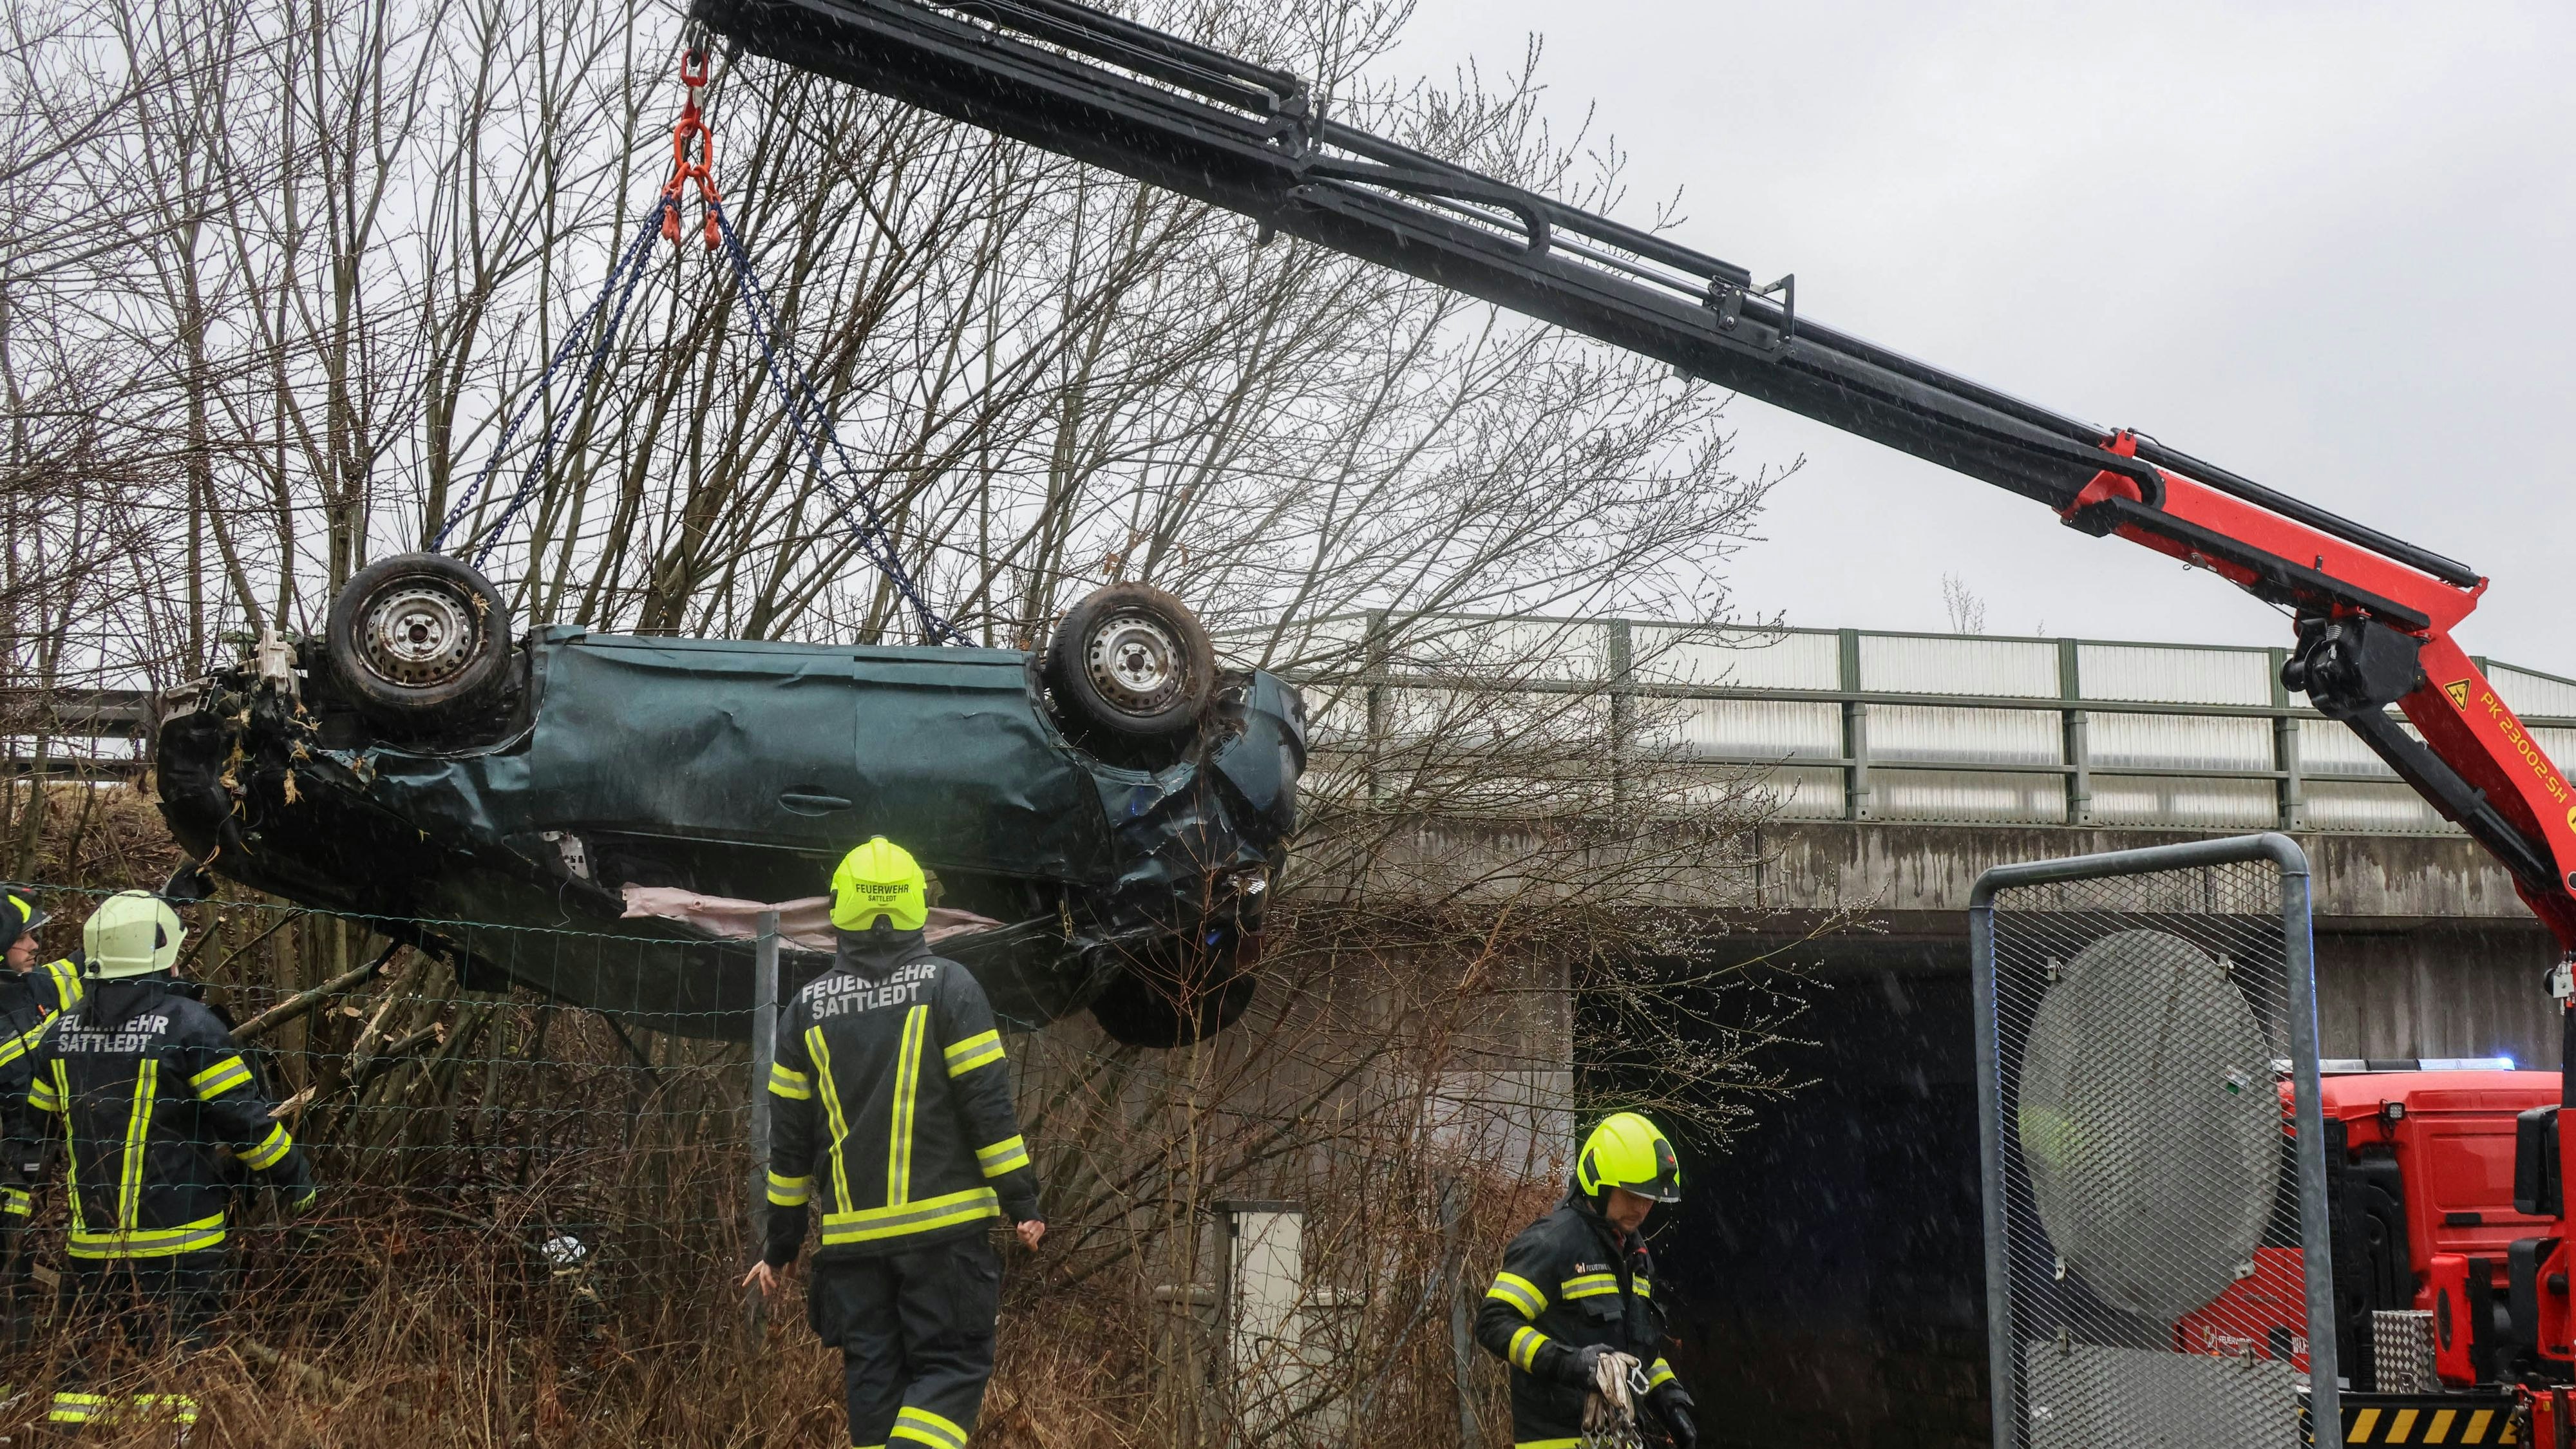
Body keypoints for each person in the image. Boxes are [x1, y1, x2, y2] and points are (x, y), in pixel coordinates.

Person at [742, 837, 1045, 1449]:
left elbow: (789, 1154)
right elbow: (989, 1114)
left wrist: (781, 1245)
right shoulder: (952, 989)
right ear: (919, 907)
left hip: (854, 1254)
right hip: (945, 1242)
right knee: (951, 1371)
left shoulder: (803, 1013)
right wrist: (1022, 1203)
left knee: (874, 1392)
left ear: (839, 910)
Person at [19, 890, 318, 1431]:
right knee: (174, 1374)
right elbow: (245, 1123)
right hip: (182, 1243)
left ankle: (75, 1441)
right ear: (163, 955)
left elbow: (34, 1129)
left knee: (83, 1378)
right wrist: (297, 1182)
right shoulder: (192, 1028)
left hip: (92, 1248)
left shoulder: (59, 1034)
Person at [1476, 1112, 1699, 1449]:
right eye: (1632, 1194)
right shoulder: (1553, 1243)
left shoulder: (1635, 1256)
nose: (1642, 1208)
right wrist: (1574, 1364)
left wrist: (1671, 1400)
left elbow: (1638, 1349)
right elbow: (1493, 1323)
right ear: (1599, 1182)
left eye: (1650, 1197)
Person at [0, 888, 82, 1336]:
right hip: (9, 1172)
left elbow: (96, 958)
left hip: (32, 1171)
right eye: (23, 936)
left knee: (16, 1270)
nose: (35, 946)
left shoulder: (40, 987)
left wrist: (166, 902)